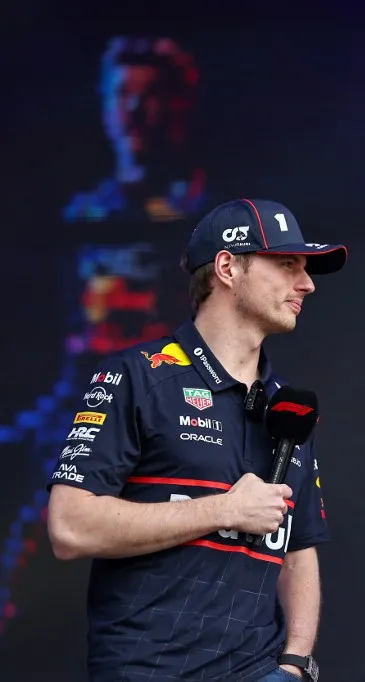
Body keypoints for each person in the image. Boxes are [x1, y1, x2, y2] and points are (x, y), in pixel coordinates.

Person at [46, 198, 347, 681]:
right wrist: (223, 509)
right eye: (288, 264)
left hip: (261, 671)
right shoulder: (137, 378)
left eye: (305, 269)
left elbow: (299, 548)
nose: (306, 284)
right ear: (228, 267)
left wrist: (294, 662)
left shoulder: (289, 409)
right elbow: (69, 527)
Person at [63, 36, 207, 224]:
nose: (134, 107)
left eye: (150, 94)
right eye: (123, 94)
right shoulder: (82, 214)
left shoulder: (208, 212)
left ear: (176, 105)